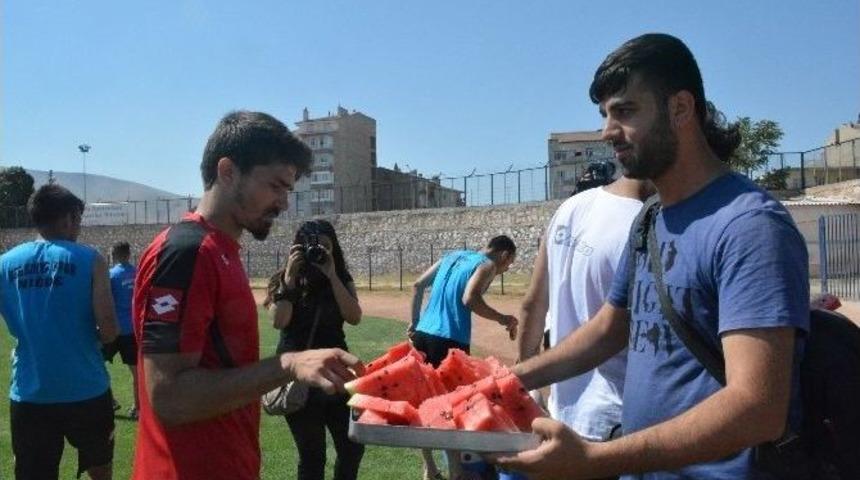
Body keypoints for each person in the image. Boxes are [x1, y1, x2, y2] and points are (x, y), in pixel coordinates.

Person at [493, 33, 809, 479]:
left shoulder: (749, 226)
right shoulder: (651, 218)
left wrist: (597, 459)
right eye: (604, 114)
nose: (607, 132)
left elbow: (757, 406)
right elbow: (608, 328)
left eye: (624, 111)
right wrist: (507, 381)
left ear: (680, 108)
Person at [131, 111, 364, 480]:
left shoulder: (223, 250)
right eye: (275, 186)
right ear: (228, 171)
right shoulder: (187, 252)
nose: (284, 202)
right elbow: (170, 398)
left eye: (288, 189)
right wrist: (287, 365)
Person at [517, 175, 652, 446]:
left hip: (563, 413)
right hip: (615, 422)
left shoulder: (570, 207)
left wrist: (525, 384)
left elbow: (533, 304)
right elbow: (612, 331)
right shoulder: (648, 221)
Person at [0, 184, 119, 480]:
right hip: (86, 388)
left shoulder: (5, 264)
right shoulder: (90, 259)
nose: (78, 227)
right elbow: (109, 331)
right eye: (78, 219)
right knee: (100, 469)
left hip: (30, 391)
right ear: (68, 218)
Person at [409, 235, 519, 480]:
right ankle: (456, 472)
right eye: (509, 265)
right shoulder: (487, 265)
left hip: (423, 336)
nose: (505, 269)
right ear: (505, 255)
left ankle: (430, 468)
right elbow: (470, 299)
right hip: (449, 341)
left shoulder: (451, 256)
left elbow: (417, 285)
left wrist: (415, 322)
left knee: (424, 405)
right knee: (454, 408)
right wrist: (503, 319)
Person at [264, 219, 365, 480]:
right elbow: (279, 321)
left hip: (337, 373)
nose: (317, 252)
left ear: (334, 249)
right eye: (311, 247)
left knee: (352, 447)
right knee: (312, 455)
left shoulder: (341, 278)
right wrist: (289, 278)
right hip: (299, 376)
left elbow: (354, 317)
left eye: (325, 246)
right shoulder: (285, 279)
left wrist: (332, 275)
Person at [101, 241, 140, 420]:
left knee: (96, 363)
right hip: (132, 329)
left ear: (114, 253)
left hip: (114, 329)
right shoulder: (138, 273)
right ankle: (137, 408)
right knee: (136, 371)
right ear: (128, 253)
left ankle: (110, 401)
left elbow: (105, 301)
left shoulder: (111, 275)